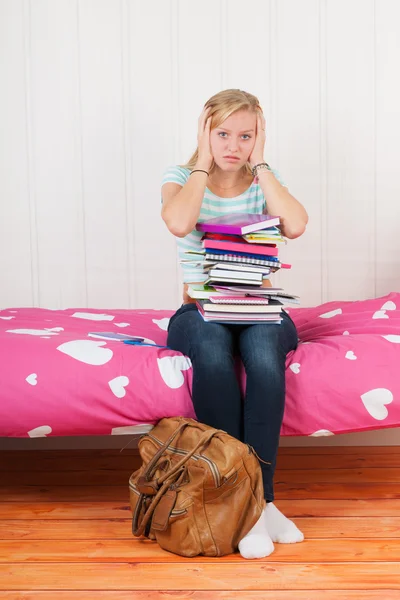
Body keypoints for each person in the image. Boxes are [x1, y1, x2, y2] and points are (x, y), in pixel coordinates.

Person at [161, 89, 308, 559]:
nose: (233, 144)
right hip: (200, 312)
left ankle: (263, 502)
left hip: (260, 309)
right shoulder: (182, 178)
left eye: (245, 135)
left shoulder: (265, 178)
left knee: (264, 357)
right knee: (211, 352)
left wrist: (261, 165)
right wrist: (202, 163)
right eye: (222, 133)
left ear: (258, 138)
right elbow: (180, 223)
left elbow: (297, 225)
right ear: (205, 133)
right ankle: (237, 501)